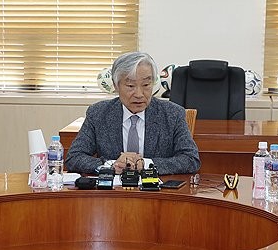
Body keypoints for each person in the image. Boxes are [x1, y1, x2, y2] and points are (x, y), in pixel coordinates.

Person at [64, 51, 200, 175]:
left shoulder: (172, 114)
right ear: (116, 85)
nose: (139, 94)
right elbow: (74, 157)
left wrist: (147, 164)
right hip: (113, 191)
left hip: (157, 191)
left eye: (146, 85)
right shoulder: (98, 113)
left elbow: (191, 159)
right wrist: (112, 165)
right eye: (130, 86)